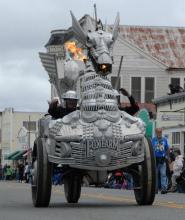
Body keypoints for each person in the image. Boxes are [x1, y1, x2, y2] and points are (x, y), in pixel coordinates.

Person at [152, 128, 169, 194]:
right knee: (155, 175)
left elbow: (167, 148)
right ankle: (155, 189)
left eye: (160, 132)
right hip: (155, 159)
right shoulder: (153, 140)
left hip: (162, 159)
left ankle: (164, 189)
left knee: (163, 174)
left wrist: (166, 156)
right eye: (158, 132)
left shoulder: (164, 139)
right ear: (156, 132)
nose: (159, 133)